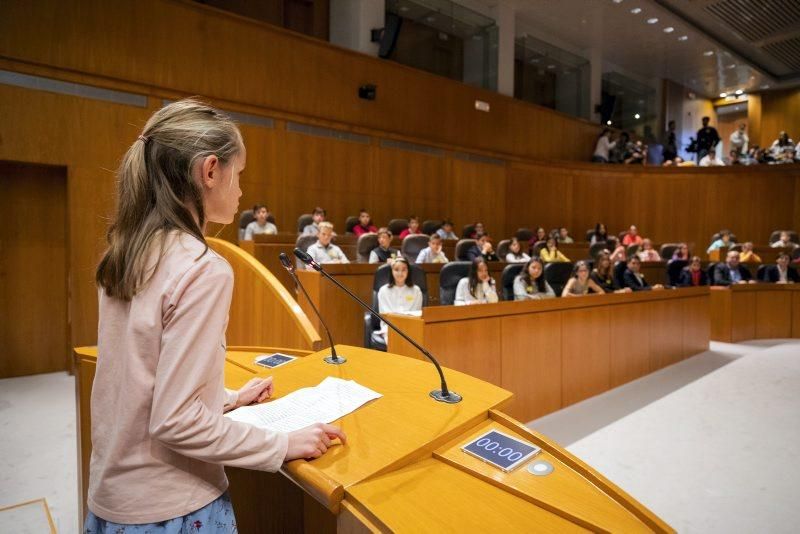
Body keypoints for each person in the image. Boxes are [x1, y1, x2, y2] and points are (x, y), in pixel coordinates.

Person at [88, 99, 345, 531]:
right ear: (210, 171)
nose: (242, 191)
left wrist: (225, 398)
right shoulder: (201, 267)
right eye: (239, 174)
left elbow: (138, 378)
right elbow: (176, 422)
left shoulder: (126, 253)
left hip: (113, 498)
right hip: (170, 506)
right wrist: (281, 444)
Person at [374, 258, 423, 345]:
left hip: (410, 326)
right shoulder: (383, 291)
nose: (400, 273)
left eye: (403, 270)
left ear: (408, 271)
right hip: (391, 327)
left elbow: (416, 313)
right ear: (391, 271)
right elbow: (385, 315)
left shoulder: (416, 290)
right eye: (396, 270)